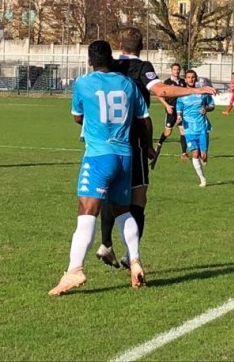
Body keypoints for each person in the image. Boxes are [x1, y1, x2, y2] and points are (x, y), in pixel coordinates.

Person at [96, 27, 216, 269]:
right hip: (134, 139)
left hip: (105, 139)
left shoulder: (110, 66)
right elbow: (160, 90)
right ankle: (132, 256)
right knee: (138, 199)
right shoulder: (142, 67)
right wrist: (194, 90)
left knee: (110, 191)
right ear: (141, 48)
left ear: (121, 46)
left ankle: (106, 243)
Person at [49, 40, 151, 295]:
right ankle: (135, 260)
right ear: (112, 59)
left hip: (98, 156)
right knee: (123, 212)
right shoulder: (127, 84)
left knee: (86, 212)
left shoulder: (83, 83)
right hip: (124, 156)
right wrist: (148, 146)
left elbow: (77, 116)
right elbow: (145, 119)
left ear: (90, 61)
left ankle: (74, 270)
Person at [176, 70, 215, 187]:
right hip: (188, 129)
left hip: (202, 128)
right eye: (188, 77)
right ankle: (202, 179)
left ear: (196, 79)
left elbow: (212, 106)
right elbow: (179, 109)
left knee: (203, 155)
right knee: (195, 153)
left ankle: (204, 157)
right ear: (185, 79)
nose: (191, 79)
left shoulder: (202, 93)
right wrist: (179, 117)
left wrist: (206, 109)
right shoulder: (182, 95)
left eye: (193, 77)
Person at [154, 63, 189, 161]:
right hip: (171, 111)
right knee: (168, 132)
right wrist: (167, 106)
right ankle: (160, 143)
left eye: (178, 69)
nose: (176, 71)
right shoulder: (167, 82)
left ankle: (184, 153)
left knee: (183, 131)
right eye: (174, 69)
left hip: (181, 111)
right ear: (171, 70)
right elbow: (159, 95)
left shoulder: (183, 82)